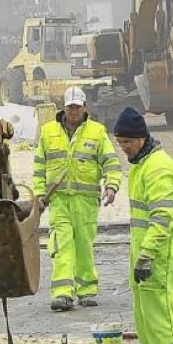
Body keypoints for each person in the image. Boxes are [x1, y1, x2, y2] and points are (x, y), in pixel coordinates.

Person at [34, 86, 122, 311]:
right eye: (70, 107)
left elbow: (111, 162)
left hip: (85, 200)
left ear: (85, 108)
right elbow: (39, 166)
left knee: (83, 244)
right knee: (62, 245)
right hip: (59, 199)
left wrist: (111, 186)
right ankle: (62, 293)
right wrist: (39, 194)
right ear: (63, 107)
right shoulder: (47, 132)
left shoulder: (97, 131)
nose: (73, 111)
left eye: (77, 107)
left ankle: (86, 290)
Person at [112, 106, 173, 344]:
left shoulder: (158, 169)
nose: (123, 147)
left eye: (126, 142)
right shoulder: (141, 166)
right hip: (145, 255)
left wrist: (147, 254)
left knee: (163, 324)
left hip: (159, 257)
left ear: (141, 138)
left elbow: (162, 218)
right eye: (119, 142)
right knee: (147, 324)